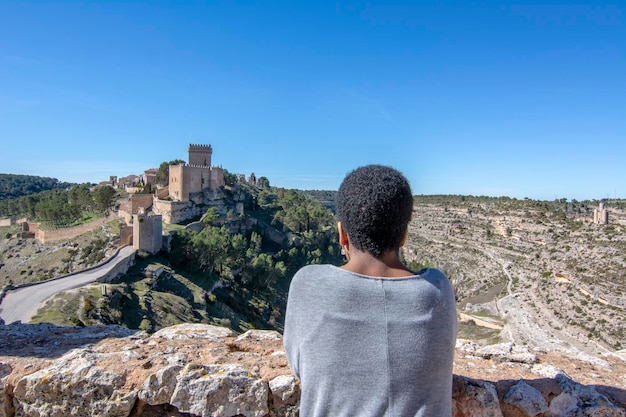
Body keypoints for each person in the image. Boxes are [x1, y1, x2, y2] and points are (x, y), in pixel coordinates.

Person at [283, 164, 457, 417]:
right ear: (404, 235)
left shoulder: (308, 283)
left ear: (342, 234)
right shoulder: (437, 289)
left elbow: (300, 367)